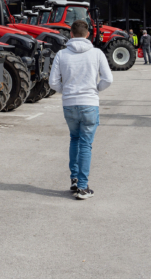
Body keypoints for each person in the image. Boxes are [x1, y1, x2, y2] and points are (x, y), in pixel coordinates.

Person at [48, 19, 112, 199]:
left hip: (69, 104)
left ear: (71, 34)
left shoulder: (62, 54)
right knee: (85, 144)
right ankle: (83, 187)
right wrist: (96, 89)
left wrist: (66, 91)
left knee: (74, 139)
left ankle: (74, 179)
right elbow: (108, 79)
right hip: (89, 103)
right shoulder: (97, 53)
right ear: (88, 35)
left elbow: (53, 82)